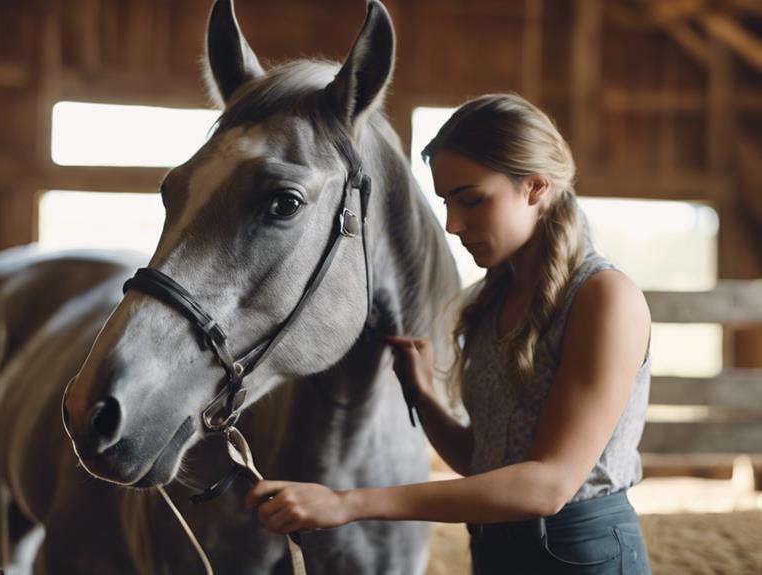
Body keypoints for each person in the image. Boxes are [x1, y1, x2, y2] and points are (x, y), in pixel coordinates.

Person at [243, 93, 654, 573]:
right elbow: (483, 463)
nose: (453, 225)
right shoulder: (491, 302)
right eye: (446, 202)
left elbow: (548, 485)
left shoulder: (604, 298)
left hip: (582, 553)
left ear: (536, 187)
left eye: (471, 200)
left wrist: (347, 503)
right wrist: (423, 398)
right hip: (495, 551)